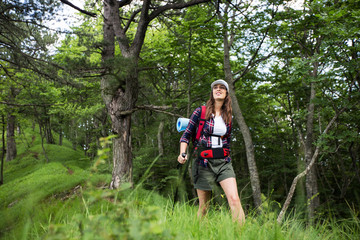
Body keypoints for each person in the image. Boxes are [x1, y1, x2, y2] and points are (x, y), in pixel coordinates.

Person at [178, 79, 245, 224]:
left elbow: (227, 140)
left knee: (234, 199)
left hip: (223, 162)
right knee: (204, 207)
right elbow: (186, 135)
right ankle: (198, 233)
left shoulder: (228, 116)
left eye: (222, 87)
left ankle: (241, 235)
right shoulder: (200, 112)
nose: (218, 89)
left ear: (226, 93)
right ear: (212, 92)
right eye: (216, 87)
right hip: (203, 162)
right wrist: (182, 153)